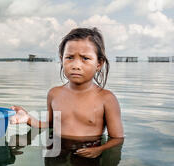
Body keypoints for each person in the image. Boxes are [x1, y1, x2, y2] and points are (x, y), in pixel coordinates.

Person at [10, 27, 124, 158]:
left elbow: (117, 139)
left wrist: (100, 149)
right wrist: (28, 118)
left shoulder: (106, 98)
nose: (76, 65)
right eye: (69, 57)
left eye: (85, 58)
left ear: (99, 63)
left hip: (87, 154)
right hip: (57, 152)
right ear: (61, 60)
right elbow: (50, 125)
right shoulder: (54, 94)